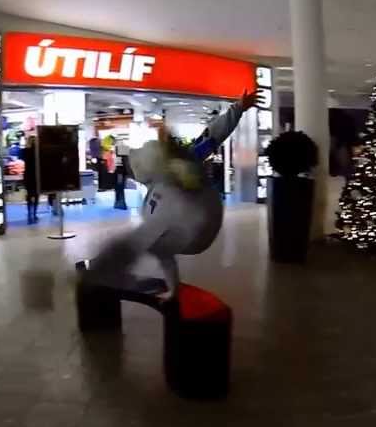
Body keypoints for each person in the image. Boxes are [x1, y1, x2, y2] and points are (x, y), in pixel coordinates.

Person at [81, 89, 258, 299]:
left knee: (153, 243)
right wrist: (238, 108)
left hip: (195, 228)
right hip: (202, 223)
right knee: (158, 247)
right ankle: (173, 289)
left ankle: (164, 286)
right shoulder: (181, 164)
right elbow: (211, 137)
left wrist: (103, 267)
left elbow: (212, 136)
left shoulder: (169, 183)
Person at [20, 135, 40, 224]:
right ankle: (34, 214)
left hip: (28, 175)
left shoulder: (25, 151)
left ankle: (29, 214)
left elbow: (21, 157)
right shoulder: (38, 151)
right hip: (36, 175)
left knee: (29, 195)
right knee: (36, 195)